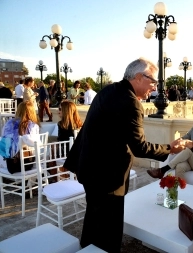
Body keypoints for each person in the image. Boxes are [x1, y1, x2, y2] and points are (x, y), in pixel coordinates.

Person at [63, 57, 185, 252]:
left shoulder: (108, 90)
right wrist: (170, 148)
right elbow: (140, 148)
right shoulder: (130, 103)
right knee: (109, 232)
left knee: (93, 221)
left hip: (90, 169)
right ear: (138, 77)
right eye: (153, 81)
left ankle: (87, 248)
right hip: (107, 178)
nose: (154, 87)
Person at [1, 101, 40, 173]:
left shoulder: (8, 123)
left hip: (9, 164)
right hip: (26, 164)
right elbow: (35, 145)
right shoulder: (33, 125)